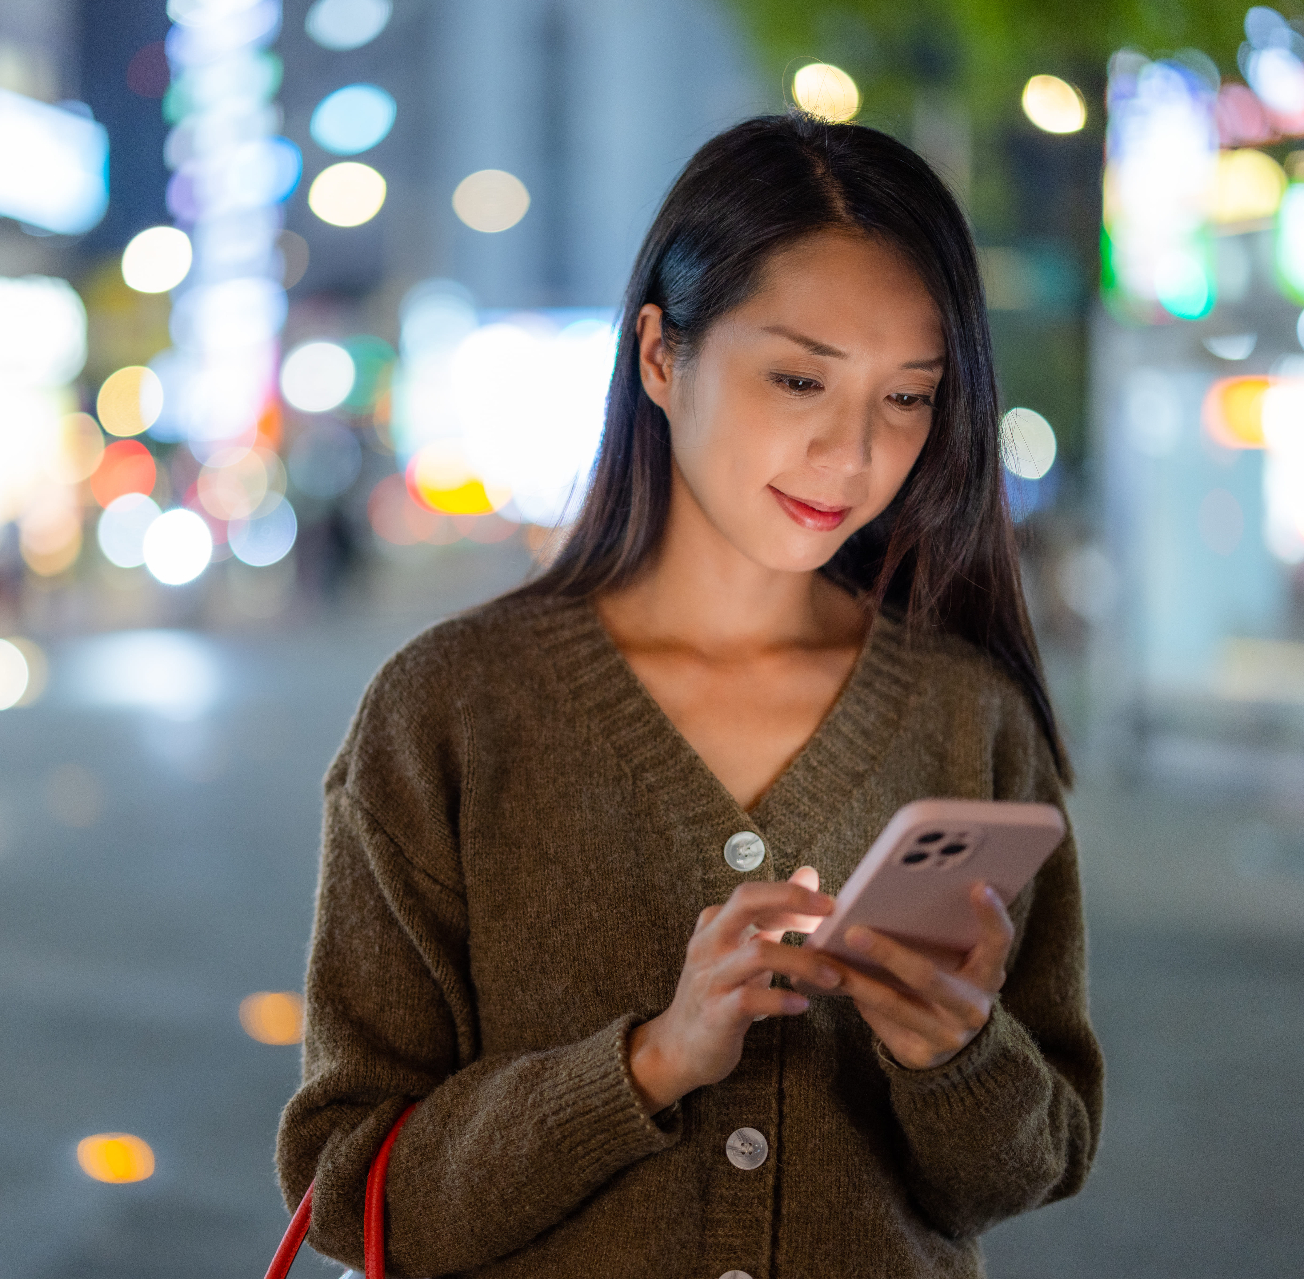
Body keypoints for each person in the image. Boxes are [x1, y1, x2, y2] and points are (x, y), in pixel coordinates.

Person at [277, 114, 1101, 1278]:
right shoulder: (450, 711)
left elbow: (1037, 1162)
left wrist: (955, 1050)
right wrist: (648, 1063)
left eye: (907, 398)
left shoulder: (972, 719)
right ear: (662, 355)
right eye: (800, 377)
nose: (851, 452)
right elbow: (353, 1192)